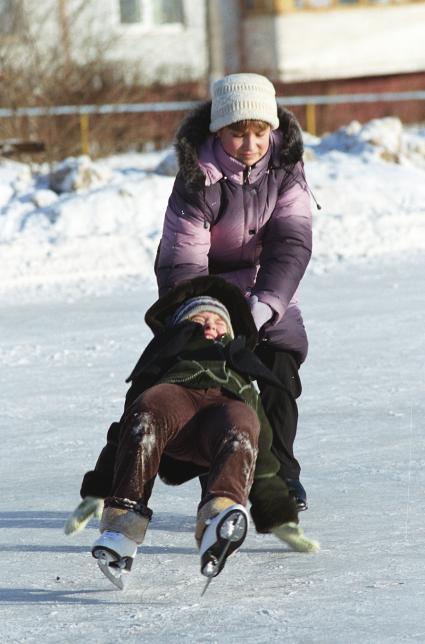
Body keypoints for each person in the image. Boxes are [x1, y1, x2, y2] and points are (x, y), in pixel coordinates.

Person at [65, 277, 319, 589]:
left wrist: (278, 515)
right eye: (199, 320)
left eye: (217, 321)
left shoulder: (238, 369)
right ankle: (122, 527)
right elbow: (123, 432)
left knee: (244, 418)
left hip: (218, 425)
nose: (210, 326)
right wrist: (99, 488)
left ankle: (219, 515)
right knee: (150, 404)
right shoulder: (163, 363)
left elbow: (262, 454)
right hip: (173, 418)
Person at [155, 73, 315, 510]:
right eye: (238, 133)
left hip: (266, 286)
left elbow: (292, 241)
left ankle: (283, 475)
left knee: (280, 375)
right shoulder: (197, 179)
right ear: (218, 131)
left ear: (272, 129)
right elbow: (182, 260)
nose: (250, 144)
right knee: (216, 382)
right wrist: (204, 312)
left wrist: (266, 305)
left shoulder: (286, 167)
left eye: (260, 132)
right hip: (202, 292)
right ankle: (217, 479)